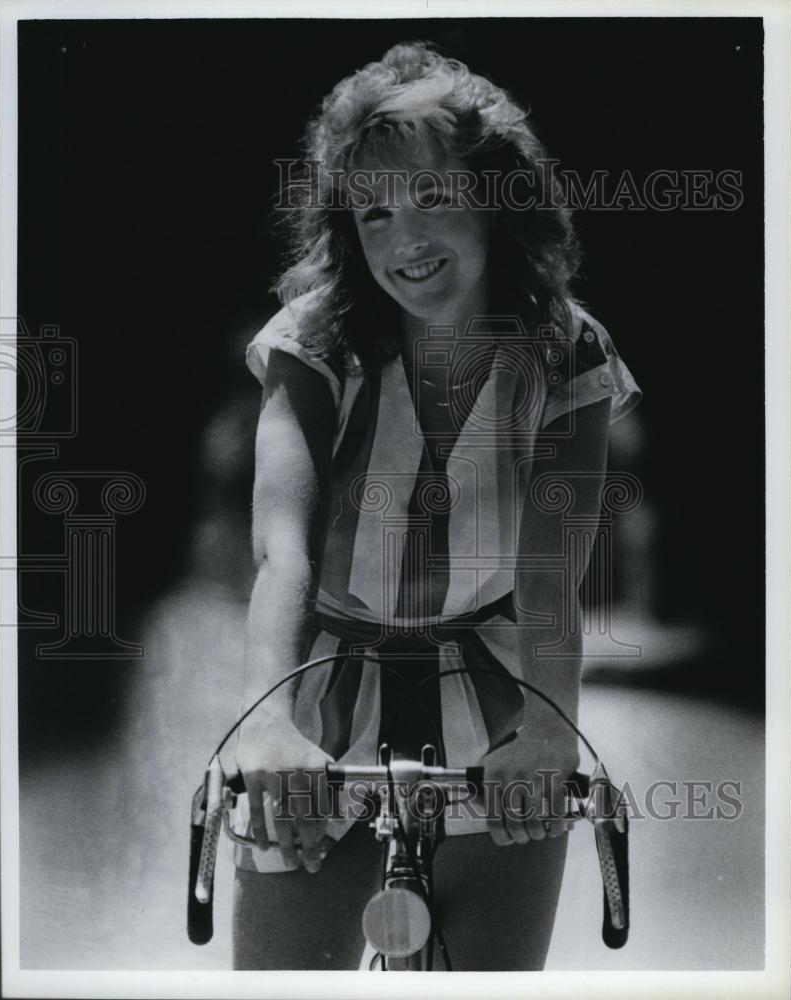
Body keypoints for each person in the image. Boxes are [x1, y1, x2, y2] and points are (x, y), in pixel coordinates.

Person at [231, 40, 641, 970]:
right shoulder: (314, 340)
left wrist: (547, 730)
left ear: (497, 201)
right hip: (322, 673)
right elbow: (281, 552)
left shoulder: (566, 350)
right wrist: (265, 723)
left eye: (433, 197)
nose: (404, 241)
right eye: (373, 212)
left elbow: (549, 570)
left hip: (500, 681)